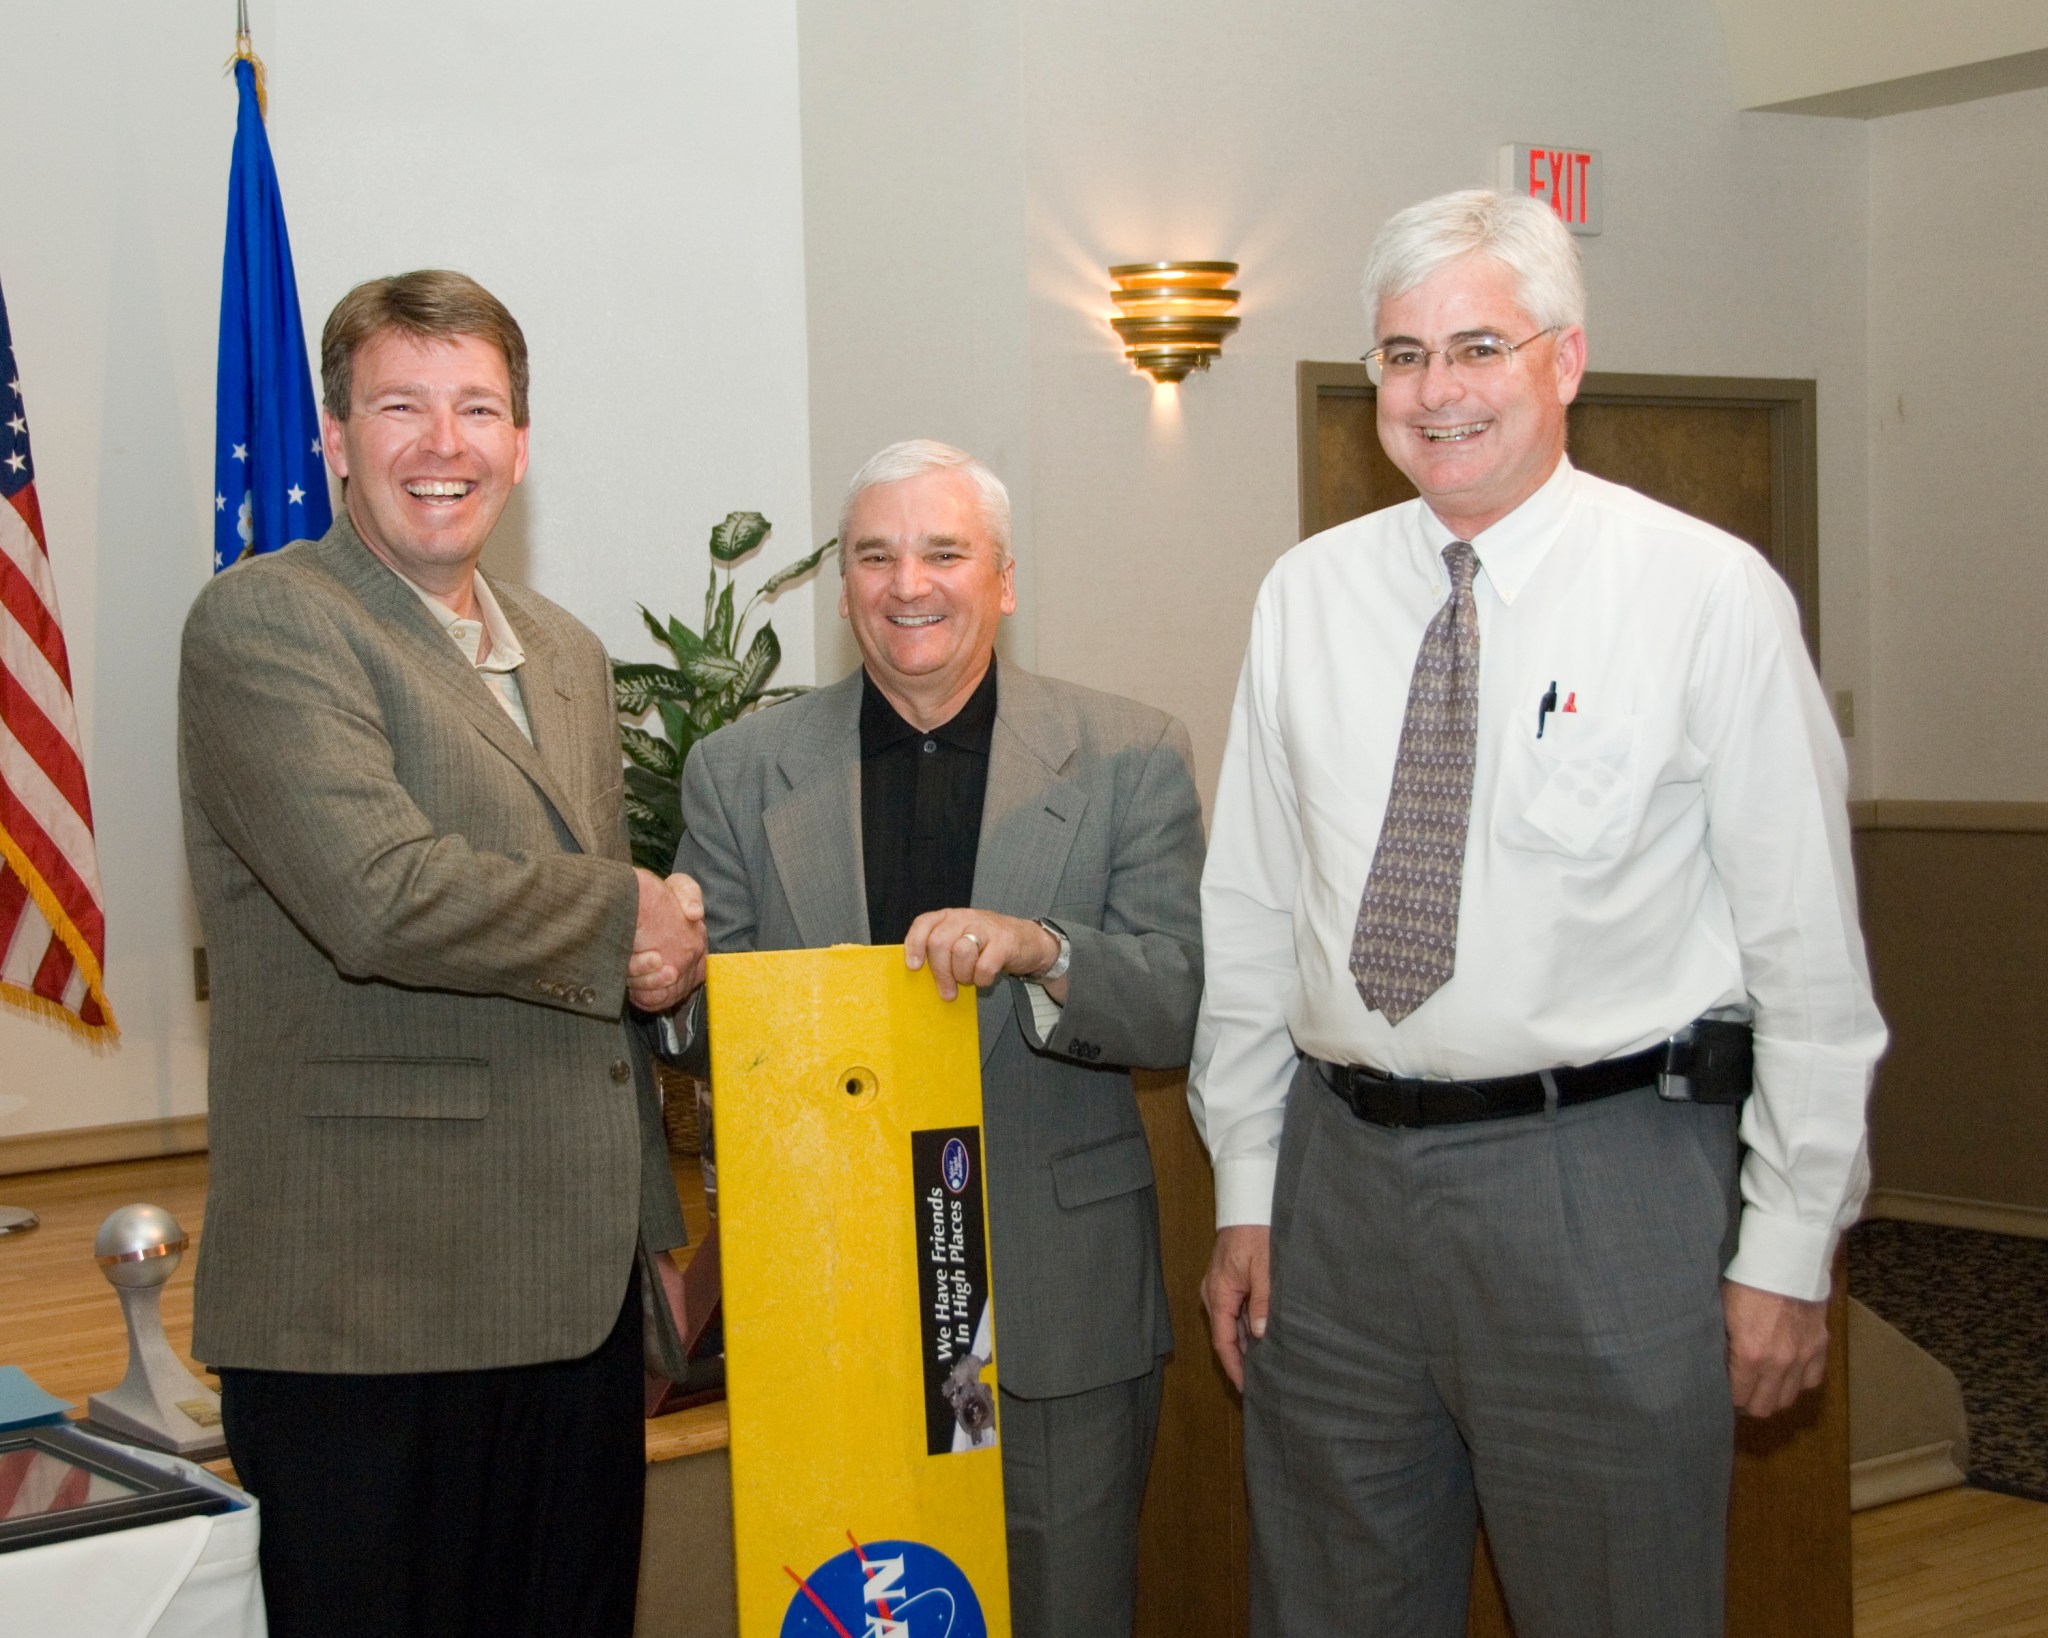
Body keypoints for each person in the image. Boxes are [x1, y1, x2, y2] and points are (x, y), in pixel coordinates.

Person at [1189, 191, 1886, 1638]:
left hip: (1606, 1183)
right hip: (1338, 1195)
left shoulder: (1703, 595)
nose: (1436, 391)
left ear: (1565, 358)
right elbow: (1254, 913)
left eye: (1478, 345)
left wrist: (1788, 1241)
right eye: (1401, 353)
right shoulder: (1306, 598)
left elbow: (1809, 957)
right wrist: (1249, 1184)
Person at [180, 269, 705, 1638]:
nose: (444, 442)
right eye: (400, 404)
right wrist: (625, 922)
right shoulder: (267, 621)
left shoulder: (567, 653)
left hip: (574, 1298)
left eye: (478, 407)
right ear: (336, 438)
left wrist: (649, 1232)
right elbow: (378, 892)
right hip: (373, 1304)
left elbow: (586, 983)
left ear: (521, 445)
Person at [665, 439, 1204, 1637]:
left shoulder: (1128, 755)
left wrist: (1044, 949)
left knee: (1064, 1607)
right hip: (832, 1297)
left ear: (1003, 579)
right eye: (875, 555)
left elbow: (1174, 997)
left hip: (1050, 1303)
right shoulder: (739, 773)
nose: (908, 583)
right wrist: (668, 981)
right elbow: (708, 1027)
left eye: (943, 552)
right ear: (845, 582)